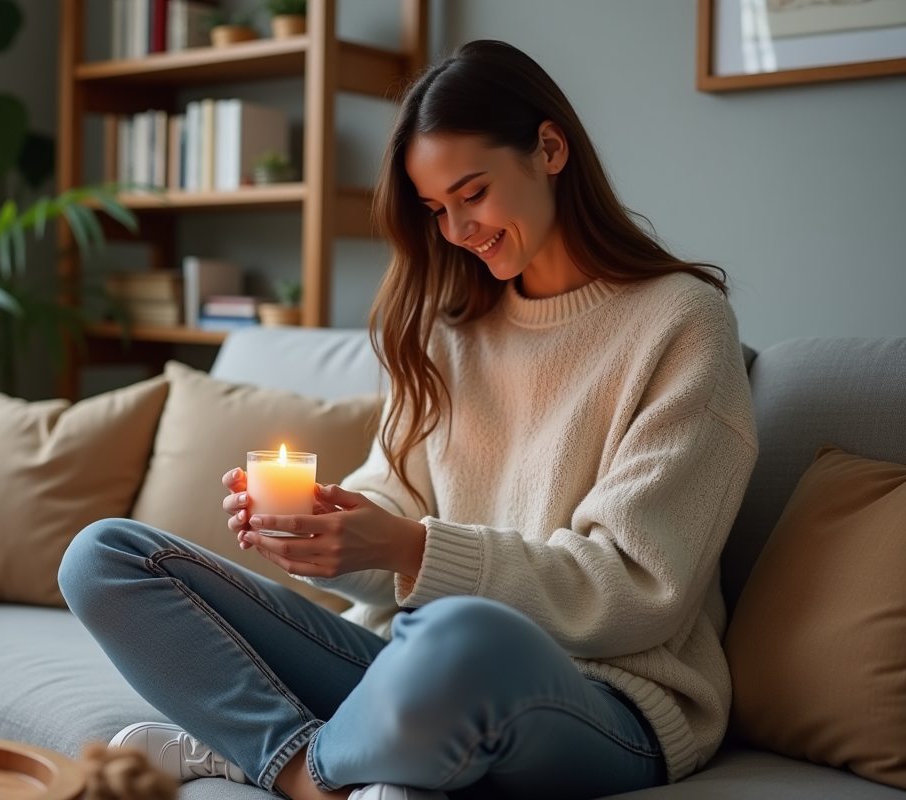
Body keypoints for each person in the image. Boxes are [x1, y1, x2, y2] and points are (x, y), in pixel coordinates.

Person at [59, 39, 757, 800]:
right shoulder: (445, 332)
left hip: (603, 701)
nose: (456, 230)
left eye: (472, 193)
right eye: (435, 210)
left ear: (550, 149)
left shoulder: (683, 324)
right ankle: (314, 767)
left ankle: (294, 754)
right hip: (408, 670)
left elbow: (633, 590)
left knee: (461, 635)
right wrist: (327, 534)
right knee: (104, 557)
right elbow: (391, 517)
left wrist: (411, 548)